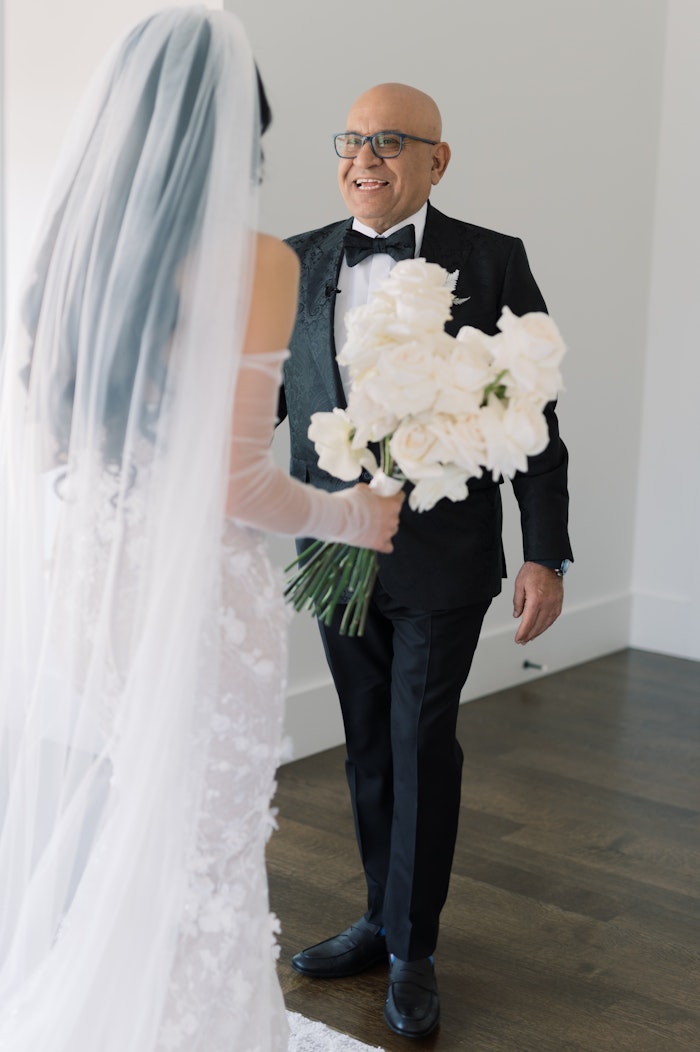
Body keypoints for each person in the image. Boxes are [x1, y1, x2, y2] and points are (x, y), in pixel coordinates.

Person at [0, 11, 402, 1052]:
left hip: (92, 573)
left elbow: (51, 442)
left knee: (137, 827)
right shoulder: (253, 260)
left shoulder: (71, 246)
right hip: (194, 599)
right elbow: (234, 486)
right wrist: (352, 514)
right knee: (206, 843)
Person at [280, 82, 573, 1039]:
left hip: (444, 564)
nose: (365, 158)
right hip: (333, 548)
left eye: (392, 142)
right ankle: (376, 917)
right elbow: (262, 406)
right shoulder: (300, 260)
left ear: (437, 161)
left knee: (417, 744)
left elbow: (534, 417)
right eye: (354, 139)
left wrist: (546, 555)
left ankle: (413, 948)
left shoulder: (492, 261)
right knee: (367, 745)